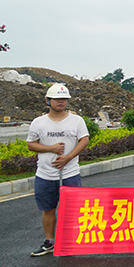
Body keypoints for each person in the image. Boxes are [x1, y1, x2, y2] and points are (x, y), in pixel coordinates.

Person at [27, 84, 89, 257]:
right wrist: (51, 149)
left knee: (73, 209)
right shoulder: (38, 122)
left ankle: (71, 241)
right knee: (48, 209)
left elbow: (84, 140)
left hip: (70, 173)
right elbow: (31, 144)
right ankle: (49, 242)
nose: (61, 102)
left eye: (64, 99)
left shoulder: (77, 121)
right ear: (48, 101)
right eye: (56, 99)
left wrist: (68, 157)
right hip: (45, 174)